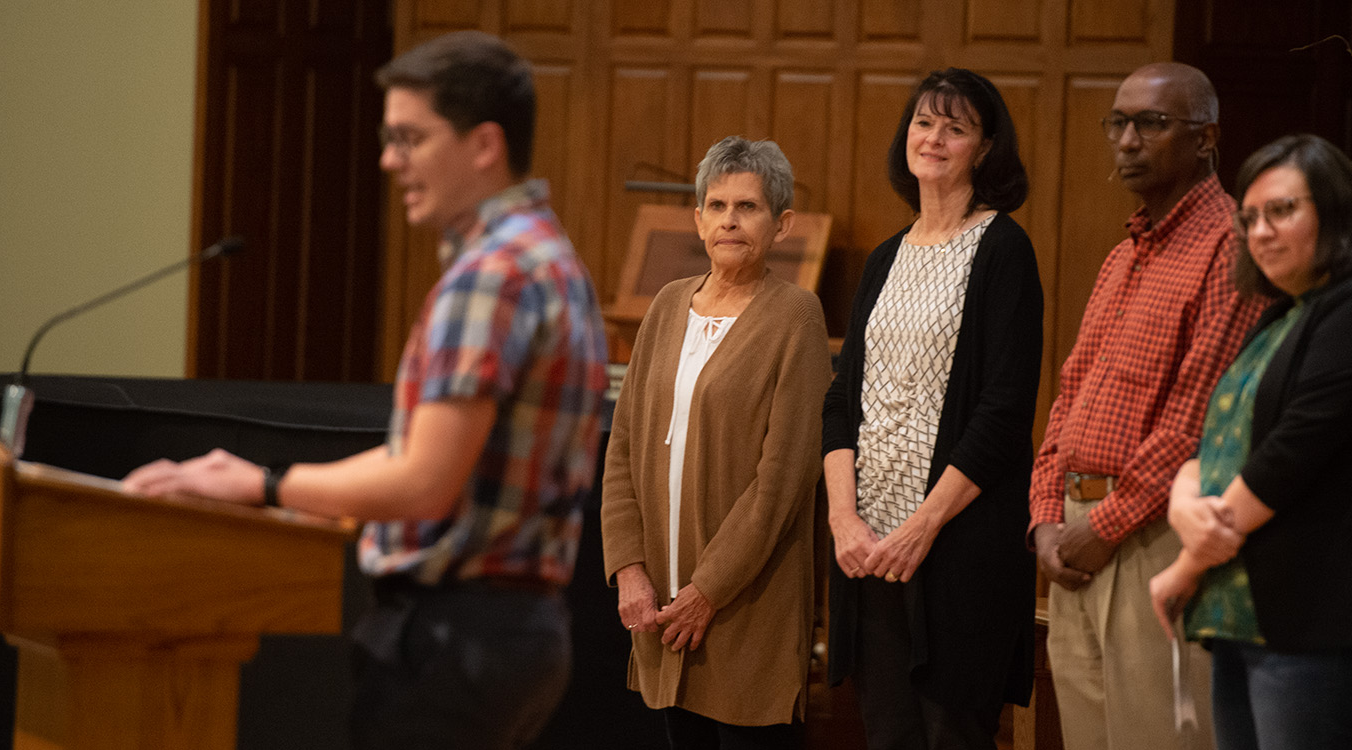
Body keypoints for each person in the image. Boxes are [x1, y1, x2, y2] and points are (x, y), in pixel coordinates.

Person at [122, 31, 608, 750]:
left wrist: (262, 484)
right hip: (516, 632)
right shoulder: (549, 256)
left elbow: (422, 484)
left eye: (409, 138)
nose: (388, 160)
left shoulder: (493, 275)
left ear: (484, 145)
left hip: (454, 636)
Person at [1148, 134, 1352, 749]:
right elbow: (1215, 443)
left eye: (1282, 210)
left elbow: (1287, 457)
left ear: (1333, 210)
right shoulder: (1279, 318)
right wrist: (1181, 503)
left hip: (1321, 619)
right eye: (1249, 218)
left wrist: (1186, 564)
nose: (1261, 232)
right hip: (1245, 618)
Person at [1026, 61, 1266, 750]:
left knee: (1156, 737)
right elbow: (1071, 393)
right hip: (1075, 539)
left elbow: (1198, 418)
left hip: (1152, 535)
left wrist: (1103, 524)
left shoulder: (1231, 248)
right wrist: (1046, 516)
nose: (1128, 140)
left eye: (1152, 124)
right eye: (1119, 123)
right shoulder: (1122, 254)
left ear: (1205, 138)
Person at [822, 67, 1042, 749]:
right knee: (887, 733)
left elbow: (1004, 416)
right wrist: (842, 519)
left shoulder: (1004, 249)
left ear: (985, 147)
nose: (934, 137)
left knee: (953, 733)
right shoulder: (886, 257)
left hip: (956, 550)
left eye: (956, 127)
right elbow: (841, 399)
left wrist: (923, 526)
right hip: (870, 551)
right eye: (924, 121)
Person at [599, 136, 829, 749]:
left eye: (748, 207)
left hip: (745, 606)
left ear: (781, 224)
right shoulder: (668, 305)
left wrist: (708, 592)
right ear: (697, 217)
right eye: (717, 204)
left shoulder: (797, 318)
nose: (729, 219)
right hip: (660, 607)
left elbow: (781, 482)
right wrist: (628, 571)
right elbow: (621, 446)